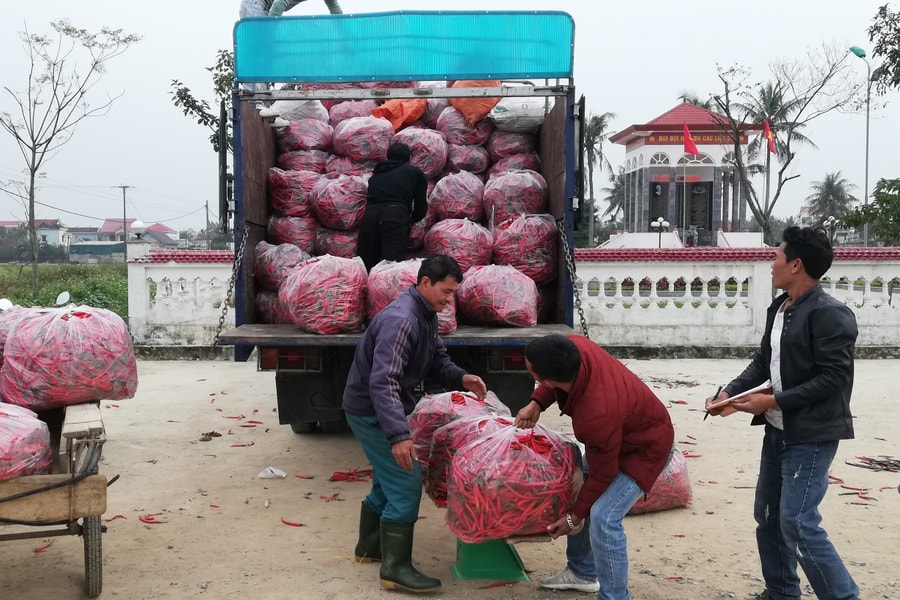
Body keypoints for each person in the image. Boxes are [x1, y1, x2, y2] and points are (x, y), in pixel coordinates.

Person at [706, 226, 859, 600]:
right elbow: (764, 362)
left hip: (811, 434)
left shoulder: (831, 315)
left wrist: (773, 401)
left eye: (776, 256)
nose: (770, 263)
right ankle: (781, 592)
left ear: (796, 265)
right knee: (770, 516)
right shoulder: (781, 307)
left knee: (799, 522)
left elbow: (833, 380)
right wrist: (730, 392)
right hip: (777, 432)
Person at [342, 254, 487, 593]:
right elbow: (384, 382)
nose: (449, 299)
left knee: (387, 479)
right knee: (406, 482)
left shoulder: (425, 314)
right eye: (446, 292)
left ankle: (370, 547)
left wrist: (461, 377)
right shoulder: (402, 320)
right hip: (369, 410)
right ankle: (396, 569)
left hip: (378, 406)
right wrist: (398, 435)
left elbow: (436, 359)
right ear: (425, 283)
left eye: (453, 293)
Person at [514, 334, 674, 600]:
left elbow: (603, 475)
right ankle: (582, 572)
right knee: (580, 492)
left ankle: (615, 597)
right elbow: (553, 381)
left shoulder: (595, 414)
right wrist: (537, 402)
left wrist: (572, 518)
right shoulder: (574, 346)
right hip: (616, 436)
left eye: (531, 369)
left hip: (646, 449)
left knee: (603, 517)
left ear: (545, 379)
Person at [356, 142, 428, 271]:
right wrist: (411, 220)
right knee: (390, 264)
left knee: (366, 262)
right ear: (409, 158)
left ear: (388, 156)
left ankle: (364, 288)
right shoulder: (414, 173)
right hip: (394, 215)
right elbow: (420, 206)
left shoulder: (375, 176)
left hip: (369, 217)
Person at [239, 0, 343, 19]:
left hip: (268, 7)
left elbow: (335, 9)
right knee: (260, 46)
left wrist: (346, 37)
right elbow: (279, 4)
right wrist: (270, 33)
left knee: (267, 51)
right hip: (255, 4)